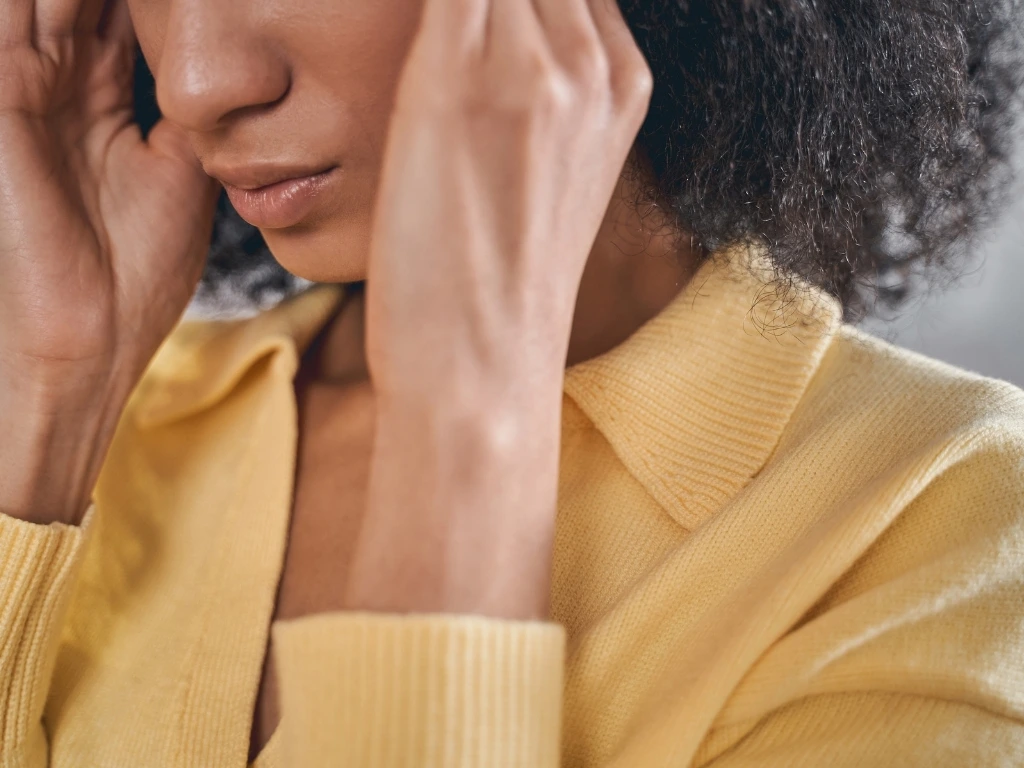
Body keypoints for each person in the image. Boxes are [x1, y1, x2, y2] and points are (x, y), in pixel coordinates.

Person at [0, 0, 1022, 765]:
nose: (193, 81)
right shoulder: (114, 424)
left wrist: (461, 431)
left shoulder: (947, 521)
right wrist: (49, 404)